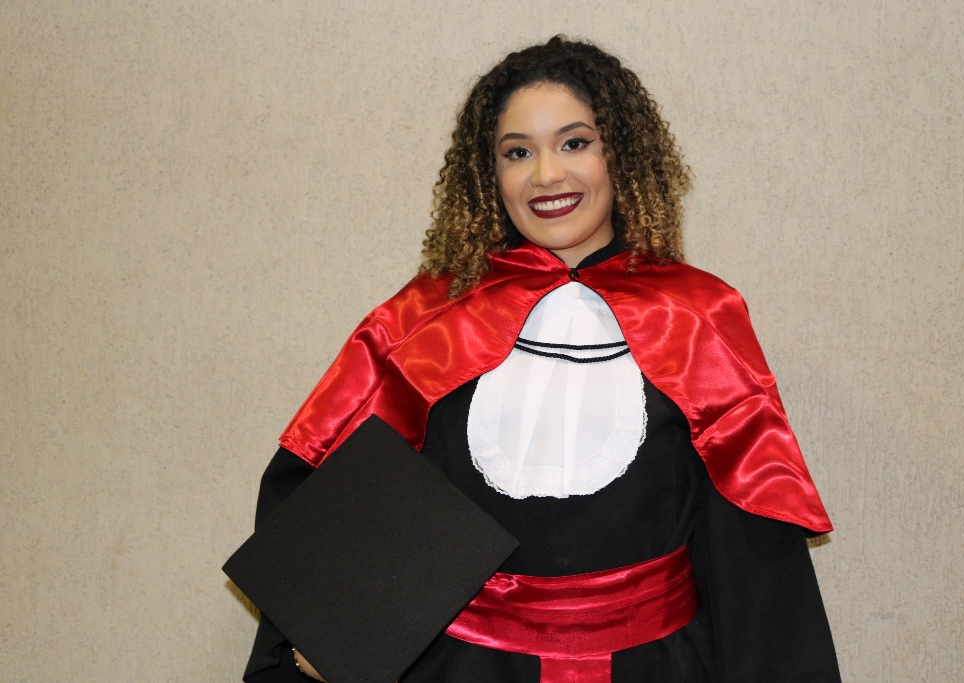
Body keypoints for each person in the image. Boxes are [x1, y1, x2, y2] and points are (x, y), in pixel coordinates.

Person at [243, 36, 842, 682]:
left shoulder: (698, 318)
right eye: (518, 152)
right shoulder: (423, 320)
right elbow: (317, 477)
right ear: (489, 174)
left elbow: (751, 549)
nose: (547, 175)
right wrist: (325, 631)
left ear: (621, 154)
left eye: (574, 143)